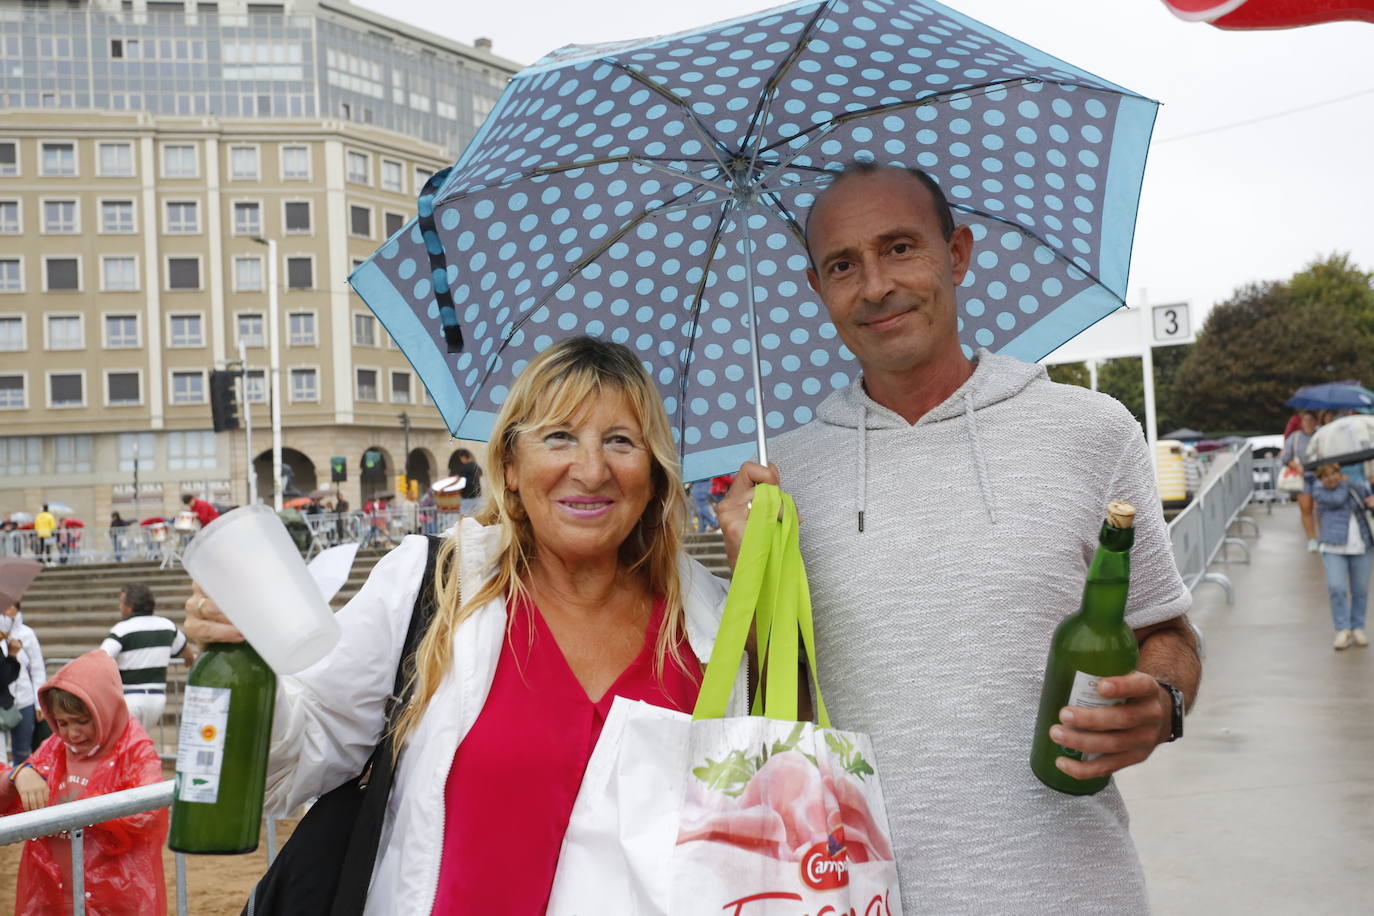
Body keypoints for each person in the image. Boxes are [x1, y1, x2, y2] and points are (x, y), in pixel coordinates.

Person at [718, 162, 1201, 913]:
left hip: (1076, 891)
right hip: (858, 896)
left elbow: (1164, 628)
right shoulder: (783, 480)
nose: (875, 285)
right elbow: (782, 715)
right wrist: (752, 579)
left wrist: (1164, 700)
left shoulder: (1090, 432)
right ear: (818, 289)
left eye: (901, 248)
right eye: (843, 265)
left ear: (960, 254)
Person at [184, 336, 745, 912]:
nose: (592, 469)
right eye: (559, 436)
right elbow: (299, 750)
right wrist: (249, 651)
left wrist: (761, 583)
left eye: (621, 441)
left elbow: (762, 815)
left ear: (653, 474)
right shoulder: (434, 585)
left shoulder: (713, 623)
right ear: (508, 466)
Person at [0, 650, 168, 916]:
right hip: (52, 892)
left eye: (82, 721)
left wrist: (91, 807)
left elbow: (150, 814)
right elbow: (9, 796)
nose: (72, 733)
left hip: (115, 897)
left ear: (105, 708)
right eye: (62, 723)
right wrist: (19, 774)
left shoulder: (134, 750)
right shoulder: (56, 747)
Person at [100, 583, 197, 734]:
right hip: (156, 700)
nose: (120, 607)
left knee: (124, 746)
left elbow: (101, 658)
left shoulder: (121, 630)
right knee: (140, 742)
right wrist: (190, 660)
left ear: (130, 606)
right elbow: (188, 654)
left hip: (129, 698)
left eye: (121, 603)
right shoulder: (168, 626)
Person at [1311, 462, 1374, 650]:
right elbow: (1337, 500)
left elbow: (1366, 499)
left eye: (1334, 473)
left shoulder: (1355, 486)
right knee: (1336, 587)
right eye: (1326, 476)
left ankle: (1357, 626)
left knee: (1360, 589)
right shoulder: (1320, 491)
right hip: (1333, 545)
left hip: (1361, 543)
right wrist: (1347, 484)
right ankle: (1342, 628)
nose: (1331, 478)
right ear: (1320, 479)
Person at [1, 602, 44, 765]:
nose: (7, 611)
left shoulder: (27, 634)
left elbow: (37, 668)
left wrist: (39, 703)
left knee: (22, 752)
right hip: (2, 704)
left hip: (24, 700)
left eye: (11, 607)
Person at [1282, 409, 1321, 551]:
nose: (1308, 423)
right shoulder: (1295, 437)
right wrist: (1296, 466)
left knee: (1321, 508)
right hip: (1303, 477)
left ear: (1316, 422)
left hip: (1319, 476)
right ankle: (1311, 539)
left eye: (1311, 420)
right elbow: (1286, 457)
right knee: (1306, 508)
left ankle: (1323, 537)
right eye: (1305, 420)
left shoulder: (1320, 435)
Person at [451, 447, 484, 515]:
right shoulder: (475, 465)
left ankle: (461, 526)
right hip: (477, 494)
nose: (461, 460)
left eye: (461, 459)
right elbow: (481, 473)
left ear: (463, 457)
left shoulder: (466, 466)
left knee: (463, 514)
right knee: (476, 514)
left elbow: (457, 479)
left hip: (468, 495)